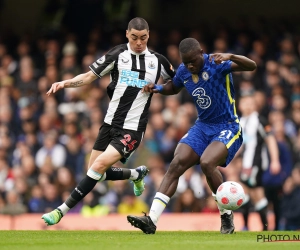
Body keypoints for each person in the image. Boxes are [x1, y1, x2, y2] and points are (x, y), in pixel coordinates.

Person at [41, 17, 175, 225]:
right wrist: (64, 83)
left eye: (143, 38)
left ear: (148, 35)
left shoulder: (158, 61)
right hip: (109, 124)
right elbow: (88, 77)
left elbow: (175, 84)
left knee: (99, 166)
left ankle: (61, 210)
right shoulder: (117, 55)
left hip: (132, 129)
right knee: (95, 171)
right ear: (127, 35)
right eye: (134, 38)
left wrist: (159, 88)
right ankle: (135, 174)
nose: (139, 42)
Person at [127, 37, 257, 234]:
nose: (190, 66)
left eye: (193, 61)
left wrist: (230, 55)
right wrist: (159, 88)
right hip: (202, 126)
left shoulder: (217, 63)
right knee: (176, 163)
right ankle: (151, 220)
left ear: (201, 52)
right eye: (186, 62)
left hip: (227, 126)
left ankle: (226, 217)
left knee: (207, 163)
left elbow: (252, 65)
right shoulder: (184, 70)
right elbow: (174, 86)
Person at [237, 91, 281, 231]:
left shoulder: (260, 120)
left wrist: (275, 160)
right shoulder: (240, 122)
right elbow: (239, 145)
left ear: (255, 105)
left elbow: (271, 140)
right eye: (245, 103)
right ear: (239, 105)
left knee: (254, 194)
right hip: (245, 165)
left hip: (256, 164)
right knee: (248, 194)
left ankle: (262, 227)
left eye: (251, 103)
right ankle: (253, 226)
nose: (248, 106)